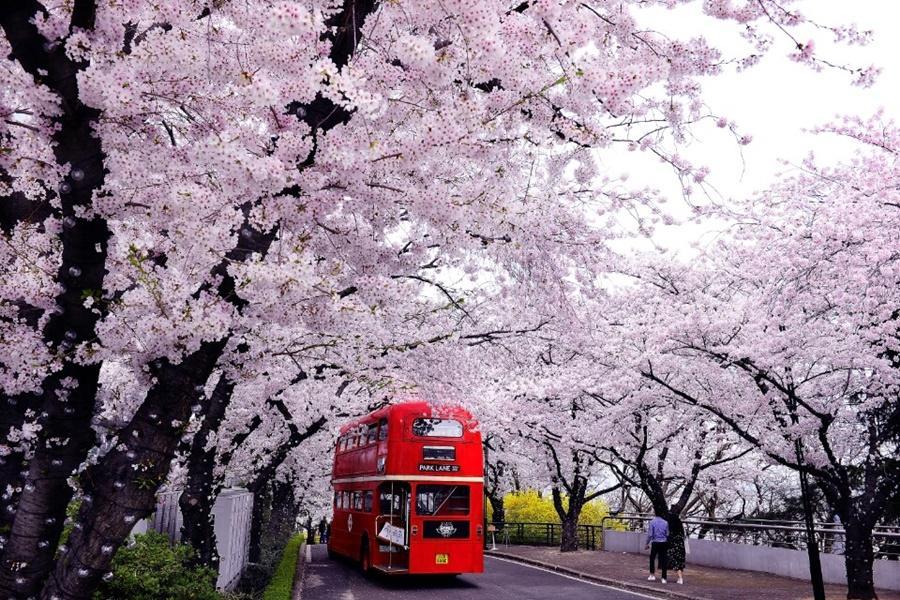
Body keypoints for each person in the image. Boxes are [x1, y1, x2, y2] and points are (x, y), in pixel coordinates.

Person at [645, 509, 669, 583]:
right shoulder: (666, 522)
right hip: (664, 543)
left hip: (655, 542)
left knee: (652, 558)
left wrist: (647, 543)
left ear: (655, 514)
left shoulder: (652, 522)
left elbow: (650, 535)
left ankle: (652, 575)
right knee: (664, 560)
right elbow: (667, 534)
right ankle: (664, 578)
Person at [666, 512, 687, 585]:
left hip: (674, 546)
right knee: (680, 562)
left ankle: (680, 578)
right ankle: (680, 577)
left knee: (675, 562)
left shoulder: (671, 528)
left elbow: (668, 536)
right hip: (681, 546)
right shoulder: (680, 527)